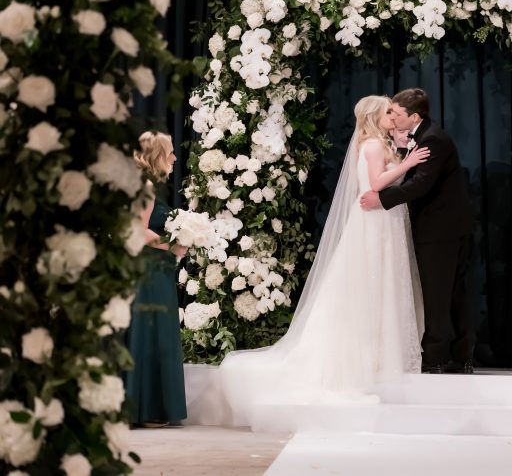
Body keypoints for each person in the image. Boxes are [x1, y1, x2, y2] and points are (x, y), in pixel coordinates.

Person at [219, 96, 428, 425]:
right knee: (371, 284)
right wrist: (407, 163)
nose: (393, 115)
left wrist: (400, 152)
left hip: (385, 221)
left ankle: (380, 359)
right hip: (374, 224)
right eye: (388, 111)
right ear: (375, 116)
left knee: (383, 286)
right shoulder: (372, 144)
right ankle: (365, 361)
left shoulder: (378, 143)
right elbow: (375, 184)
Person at [360, 88, 475, 374]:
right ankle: (458, 355)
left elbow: (420, 184)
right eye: (389, 112)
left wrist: (381, 200)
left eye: (397, 114)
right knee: (445, 292)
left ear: (414, 116)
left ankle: (437, 358)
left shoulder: (432, 139)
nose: (393, 117)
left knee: (440, 292)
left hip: (441, 229)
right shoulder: (417, 136)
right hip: (439, 226)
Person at [126, 131, 188, 427]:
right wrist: (175, 244)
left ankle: (143, 406)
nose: (175, 158)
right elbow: (137, 233)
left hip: (149, 269)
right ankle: (148, 409)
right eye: (170, 152)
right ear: (157, 156)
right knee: (152, 335)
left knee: (146, 333)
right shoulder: (146, 187)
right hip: (149, 271)